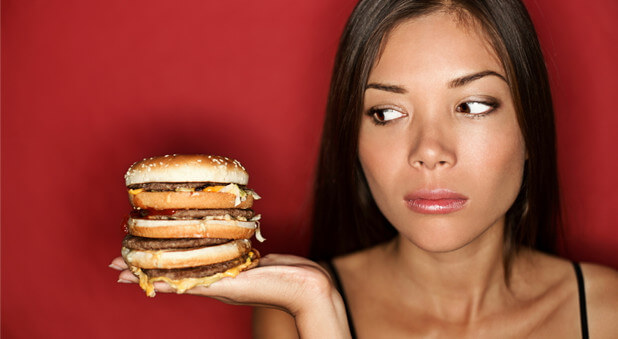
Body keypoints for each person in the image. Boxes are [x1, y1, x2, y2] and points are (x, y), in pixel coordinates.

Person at [111, 0, 618, 337]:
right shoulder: (289, 315)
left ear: (530, 125)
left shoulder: (607, 312)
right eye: (387, 113)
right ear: (352, 139)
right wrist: (318, 310)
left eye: (473, 105)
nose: (429, 150)